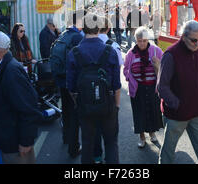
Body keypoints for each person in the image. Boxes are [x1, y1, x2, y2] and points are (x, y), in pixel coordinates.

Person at [0, 31, 43, 164]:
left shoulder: (11, 72)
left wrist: (26, 141)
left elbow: (29, 109)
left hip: (15, 147)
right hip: (8, 142)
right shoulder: (2, 68)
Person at [67, 13, 121, 164]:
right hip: (108, 104)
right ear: (99, 28)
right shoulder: (110, 51)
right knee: (111, 143)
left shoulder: (74, 53)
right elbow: (117, 85)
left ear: (83, 29)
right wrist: (116, 106)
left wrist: (79, 102)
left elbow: (70, 87)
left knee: (88, 144)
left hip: (84, 106)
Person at [157, 20, 198, 164]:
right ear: (183, 37)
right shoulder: (170, 55)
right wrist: (177, 104)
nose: (197, 44)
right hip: (177, 115)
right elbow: (162, 87)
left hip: (197, 111)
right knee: (168, 152)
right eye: (194, 40)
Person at [50, 11, 84, 157]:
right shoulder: (77, 37)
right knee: (75, 114)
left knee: (66, 110)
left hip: (60, 79)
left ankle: (66, 138)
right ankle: (74, 147)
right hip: (72, 81)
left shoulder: (64, 34)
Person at [124, 26, 163, 148]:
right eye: (139, 41)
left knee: (152, 112)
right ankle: (142, 137)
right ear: (136, 40)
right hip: (138, 88)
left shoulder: (156, 51)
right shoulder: (130, 53)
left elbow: (165, 68)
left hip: (153, 88)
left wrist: (158, 64)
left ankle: (152, 134)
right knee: (139, 113)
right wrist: (130, 78)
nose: (142, 43)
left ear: (148, 40)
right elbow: (125, 70)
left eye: (144, 41)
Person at [93, 16, 124, 163]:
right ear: (108, 28)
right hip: (109, 95)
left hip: (91, 94)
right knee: (111, 135)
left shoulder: (85, 45)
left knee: (95, 130)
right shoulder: (114, 46)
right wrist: (117, 104)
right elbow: (118, 73)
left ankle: (97, 157)